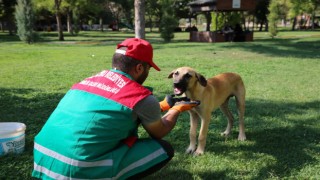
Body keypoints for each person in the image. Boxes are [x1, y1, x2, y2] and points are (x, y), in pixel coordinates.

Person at [32, 38, 200, 179]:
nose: (147, 72)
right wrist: (176, 110)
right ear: (139, 68)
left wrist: (160, 107)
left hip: (42, 159)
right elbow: (159, 131)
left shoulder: (87, 81)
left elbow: (111, 110)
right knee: (164, 149)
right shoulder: (141, 97)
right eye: (148, 68)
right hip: (76, 171)